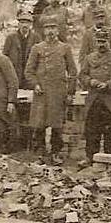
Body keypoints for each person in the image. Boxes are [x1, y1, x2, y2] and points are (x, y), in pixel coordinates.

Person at [26, 16, 78, 164]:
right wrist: (35, 84)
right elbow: (28, 71)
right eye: (48, 28)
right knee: (39, 124)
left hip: (58, 92)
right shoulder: (37, 48)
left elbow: (73, 72)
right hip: (41, 93)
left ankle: (56, 153)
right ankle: (41, 154)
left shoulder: (65, 48)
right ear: (43, 30)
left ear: (58, 30)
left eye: (53, 28)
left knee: (57, 125)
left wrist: (70, 92)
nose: (51, 31)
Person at [78, 28, 111, 164]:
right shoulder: (90, 57)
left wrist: (108, 84)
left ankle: (110, 159)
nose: (101, 44)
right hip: (94, 100)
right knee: (91, 131)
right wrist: (90, 81)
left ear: (108, 42)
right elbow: (82, 75)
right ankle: (91, 157)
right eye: (99, 41)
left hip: (109, 101)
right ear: (95, 42)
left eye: (104, 41)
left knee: (109, 132)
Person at [3, 12, 42, 150]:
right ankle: (17, 140)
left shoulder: (36, 38)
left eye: (27, 22)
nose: (24, 25)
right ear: (18, 24)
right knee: (15, 108)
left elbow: (40, 58)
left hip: (30, 78)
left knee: (30, 109)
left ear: (31, 24)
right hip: (15, 78)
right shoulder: (11, 38)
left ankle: (30, 140)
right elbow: (5, 58)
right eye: (22, 22)